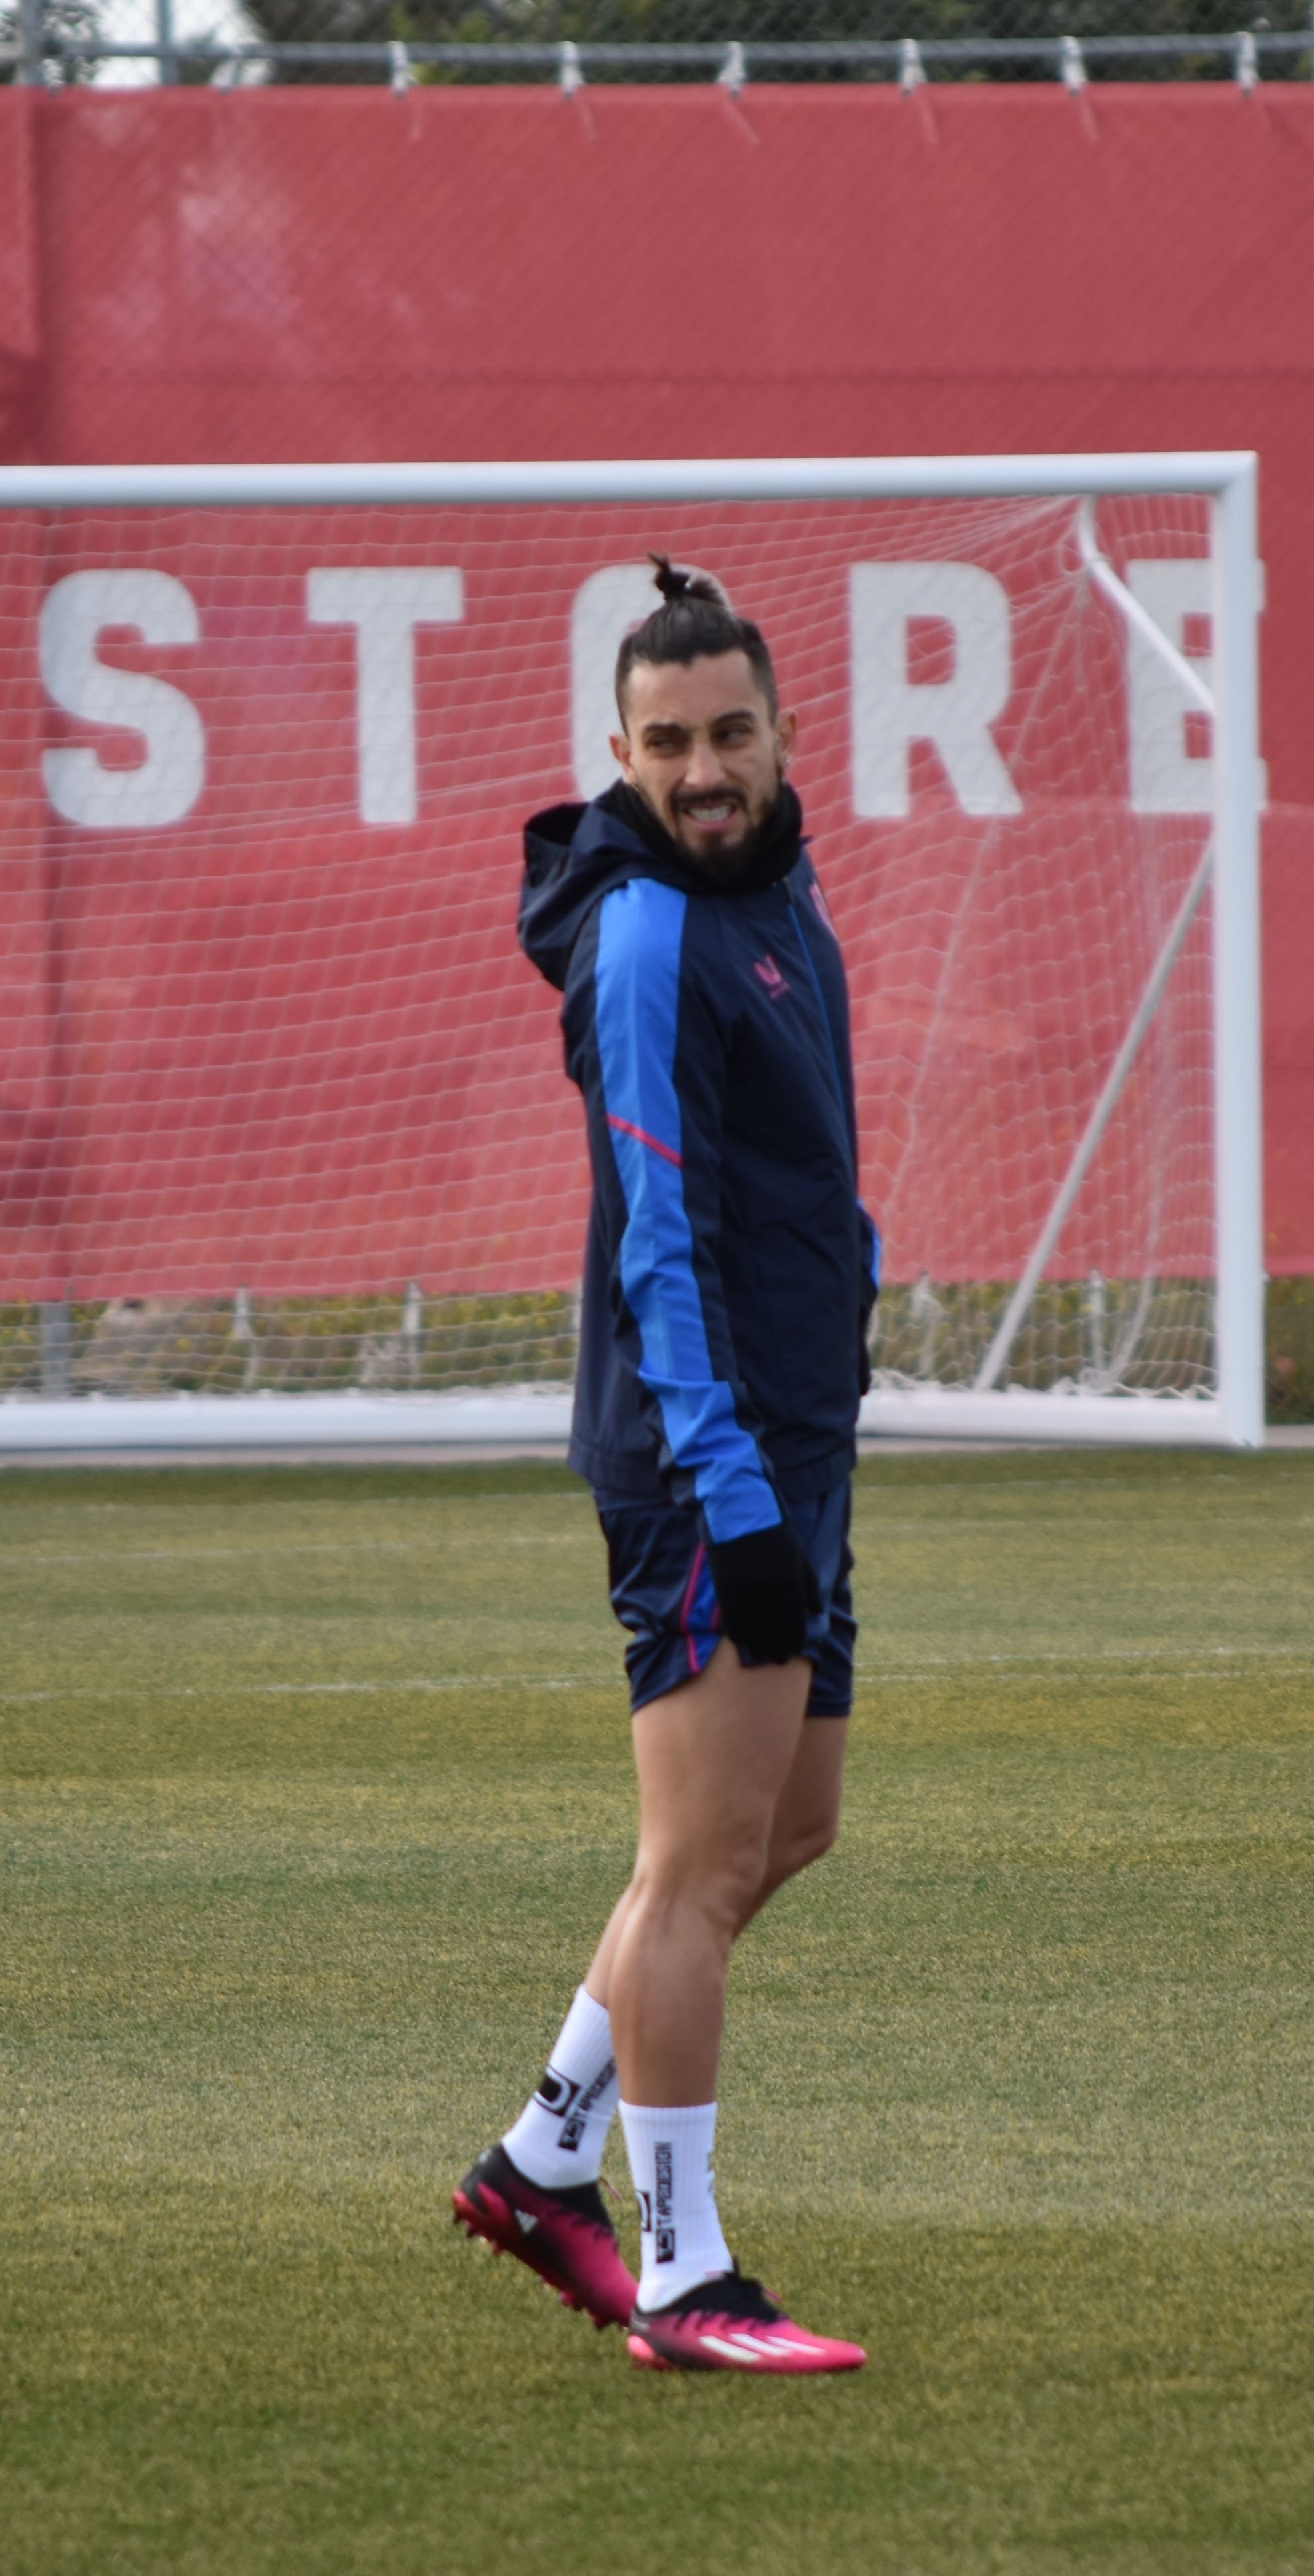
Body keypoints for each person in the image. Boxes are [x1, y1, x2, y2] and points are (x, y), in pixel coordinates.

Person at [453, 560, 874, 2376]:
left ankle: (547, 2152)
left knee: (789, 1830)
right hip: (713, 1456)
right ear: (615, 750)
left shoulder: (784, 894)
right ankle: (685, 2270)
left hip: (796, 1437)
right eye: (670, 744)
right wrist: (733, 1487)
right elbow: (659, 1242)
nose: (704, 771)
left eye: (732, 735)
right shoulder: (643, 936)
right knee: (695, 1864)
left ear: (786, 738)